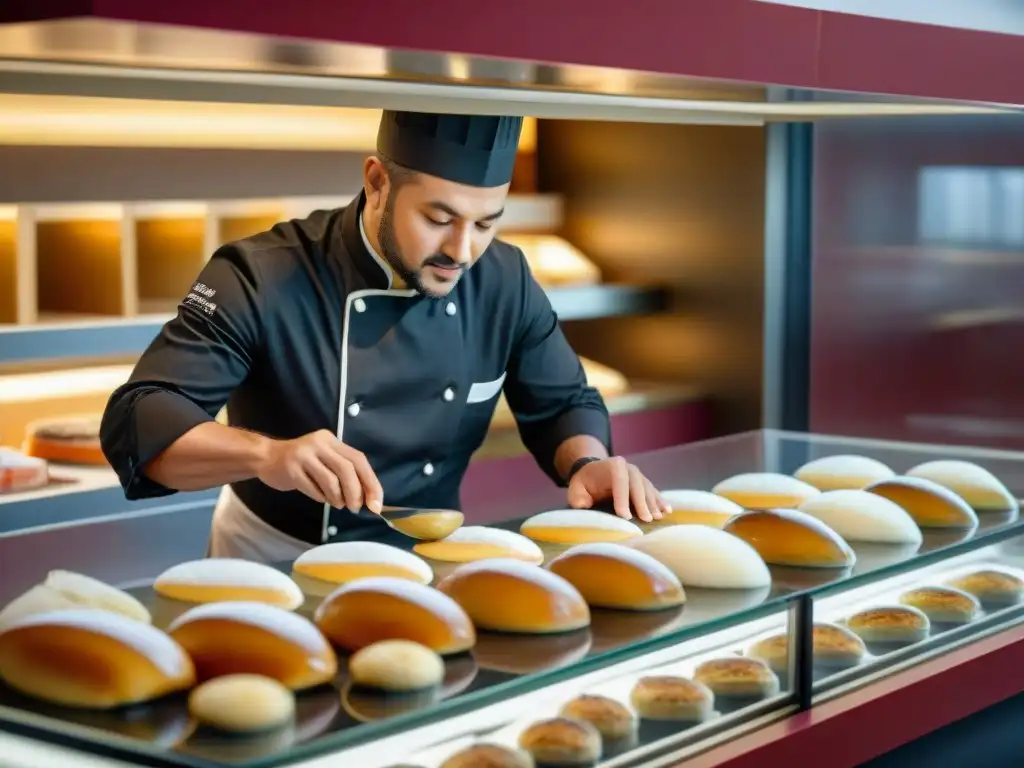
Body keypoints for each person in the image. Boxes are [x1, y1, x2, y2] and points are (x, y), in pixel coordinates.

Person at [100, 110, 669, 563]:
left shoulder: (504, 278)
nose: (462, 251)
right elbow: (141, 418)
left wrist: (587, 464)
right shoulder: (262, 273)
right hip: (271, 559)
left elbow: (562, 401)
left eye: (487, 223)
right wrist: (267, 454)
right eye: (439, 219)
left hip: (427, 559)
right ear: (376, 182)